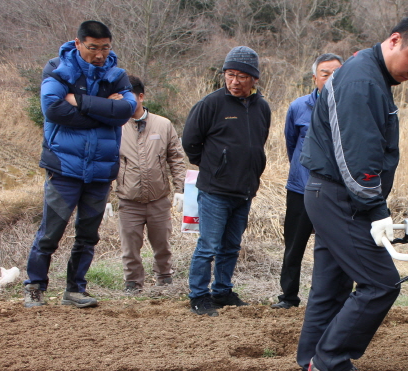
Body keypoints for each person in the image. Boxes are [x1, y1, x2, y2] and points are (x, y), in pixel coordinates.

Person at [296, 13, 408, 371]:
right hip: (339, 198)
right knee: (381, 283)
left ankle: (312, 364)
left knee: (330, 285)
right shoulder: (362, 79)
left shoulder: (371, 75)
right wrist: (377, 210)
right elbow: (356, 155)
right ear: (395, 41)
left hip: (330, 194)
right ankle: (329, 363)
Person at [23, 20, 137, 308]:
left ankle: (75, 290)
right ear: (78, 43)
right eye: (92, 48)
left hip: (101, 169)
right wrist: (103, 110)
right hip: (64, 166)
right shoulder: (58, 70)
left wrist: (81, 101)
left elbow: (126, 109)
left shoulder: (117, 75)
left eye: (105, 48)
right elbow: (53, 109)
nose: (99, 54)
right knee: (51, 232)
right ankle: (34, 287)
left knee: (88, 234)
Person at [182, 46, 271, 316]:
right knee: (208, 245)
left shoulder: (262, 107)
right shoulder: (211, 104)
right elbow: (190, 142)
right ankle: (198, 295)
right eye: (229, 75)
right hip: (215, 191)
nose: (234, 81)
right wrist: (214, 167)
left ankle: (222, 291)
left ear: (254, 79)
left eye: (241, 76)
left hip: (244, 190)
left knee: (231, 246)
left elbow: (258, 143)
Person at [272, 53, 343, 310]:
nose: (331, 78)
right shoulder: (298, 107)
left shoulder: (349, 107)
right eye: (325, 73)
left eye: (337, 73)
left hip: (334, 192)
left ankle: (327, 299)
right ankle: (288, 297)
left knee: (333, 250)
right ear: (315, 78)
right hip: (300, 188)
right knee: (294, 246)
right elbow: (292, 145)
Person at [116, 76, 186, 293]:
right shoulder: (114, 127)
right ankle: (133, 283)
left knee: (162, 244)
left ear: (141, 96)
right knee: (130, 248)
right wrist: (106, 198)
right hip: (128, 200)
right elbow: (106, 163)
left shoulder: (163, 124)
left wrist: (181, 189)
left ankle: (164, 278)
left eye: (129, 97)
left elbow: (176, 157)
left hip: (158, 199)